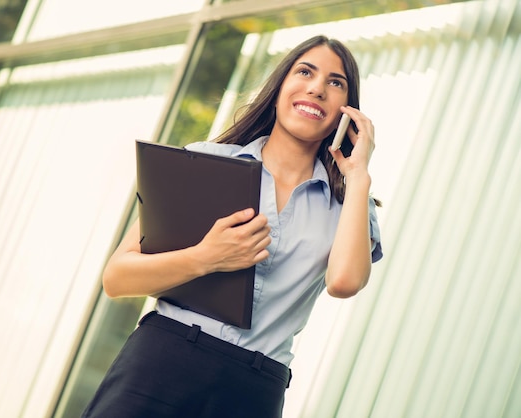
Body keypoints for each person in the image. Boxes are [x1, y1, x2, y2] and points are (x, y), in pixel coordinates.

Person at [82, 34, 383, 418]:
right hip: (161, 363)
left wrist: (359, 178)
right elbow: (117, 278)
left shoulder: (351, 203)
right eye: (305, 71)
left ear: (348, 112)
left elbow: (344, 283)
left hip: (252, 390)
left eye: (335, 82)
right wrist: (206, 258)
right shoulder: (201, 162)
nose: (317, 88)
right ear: (278, 89)